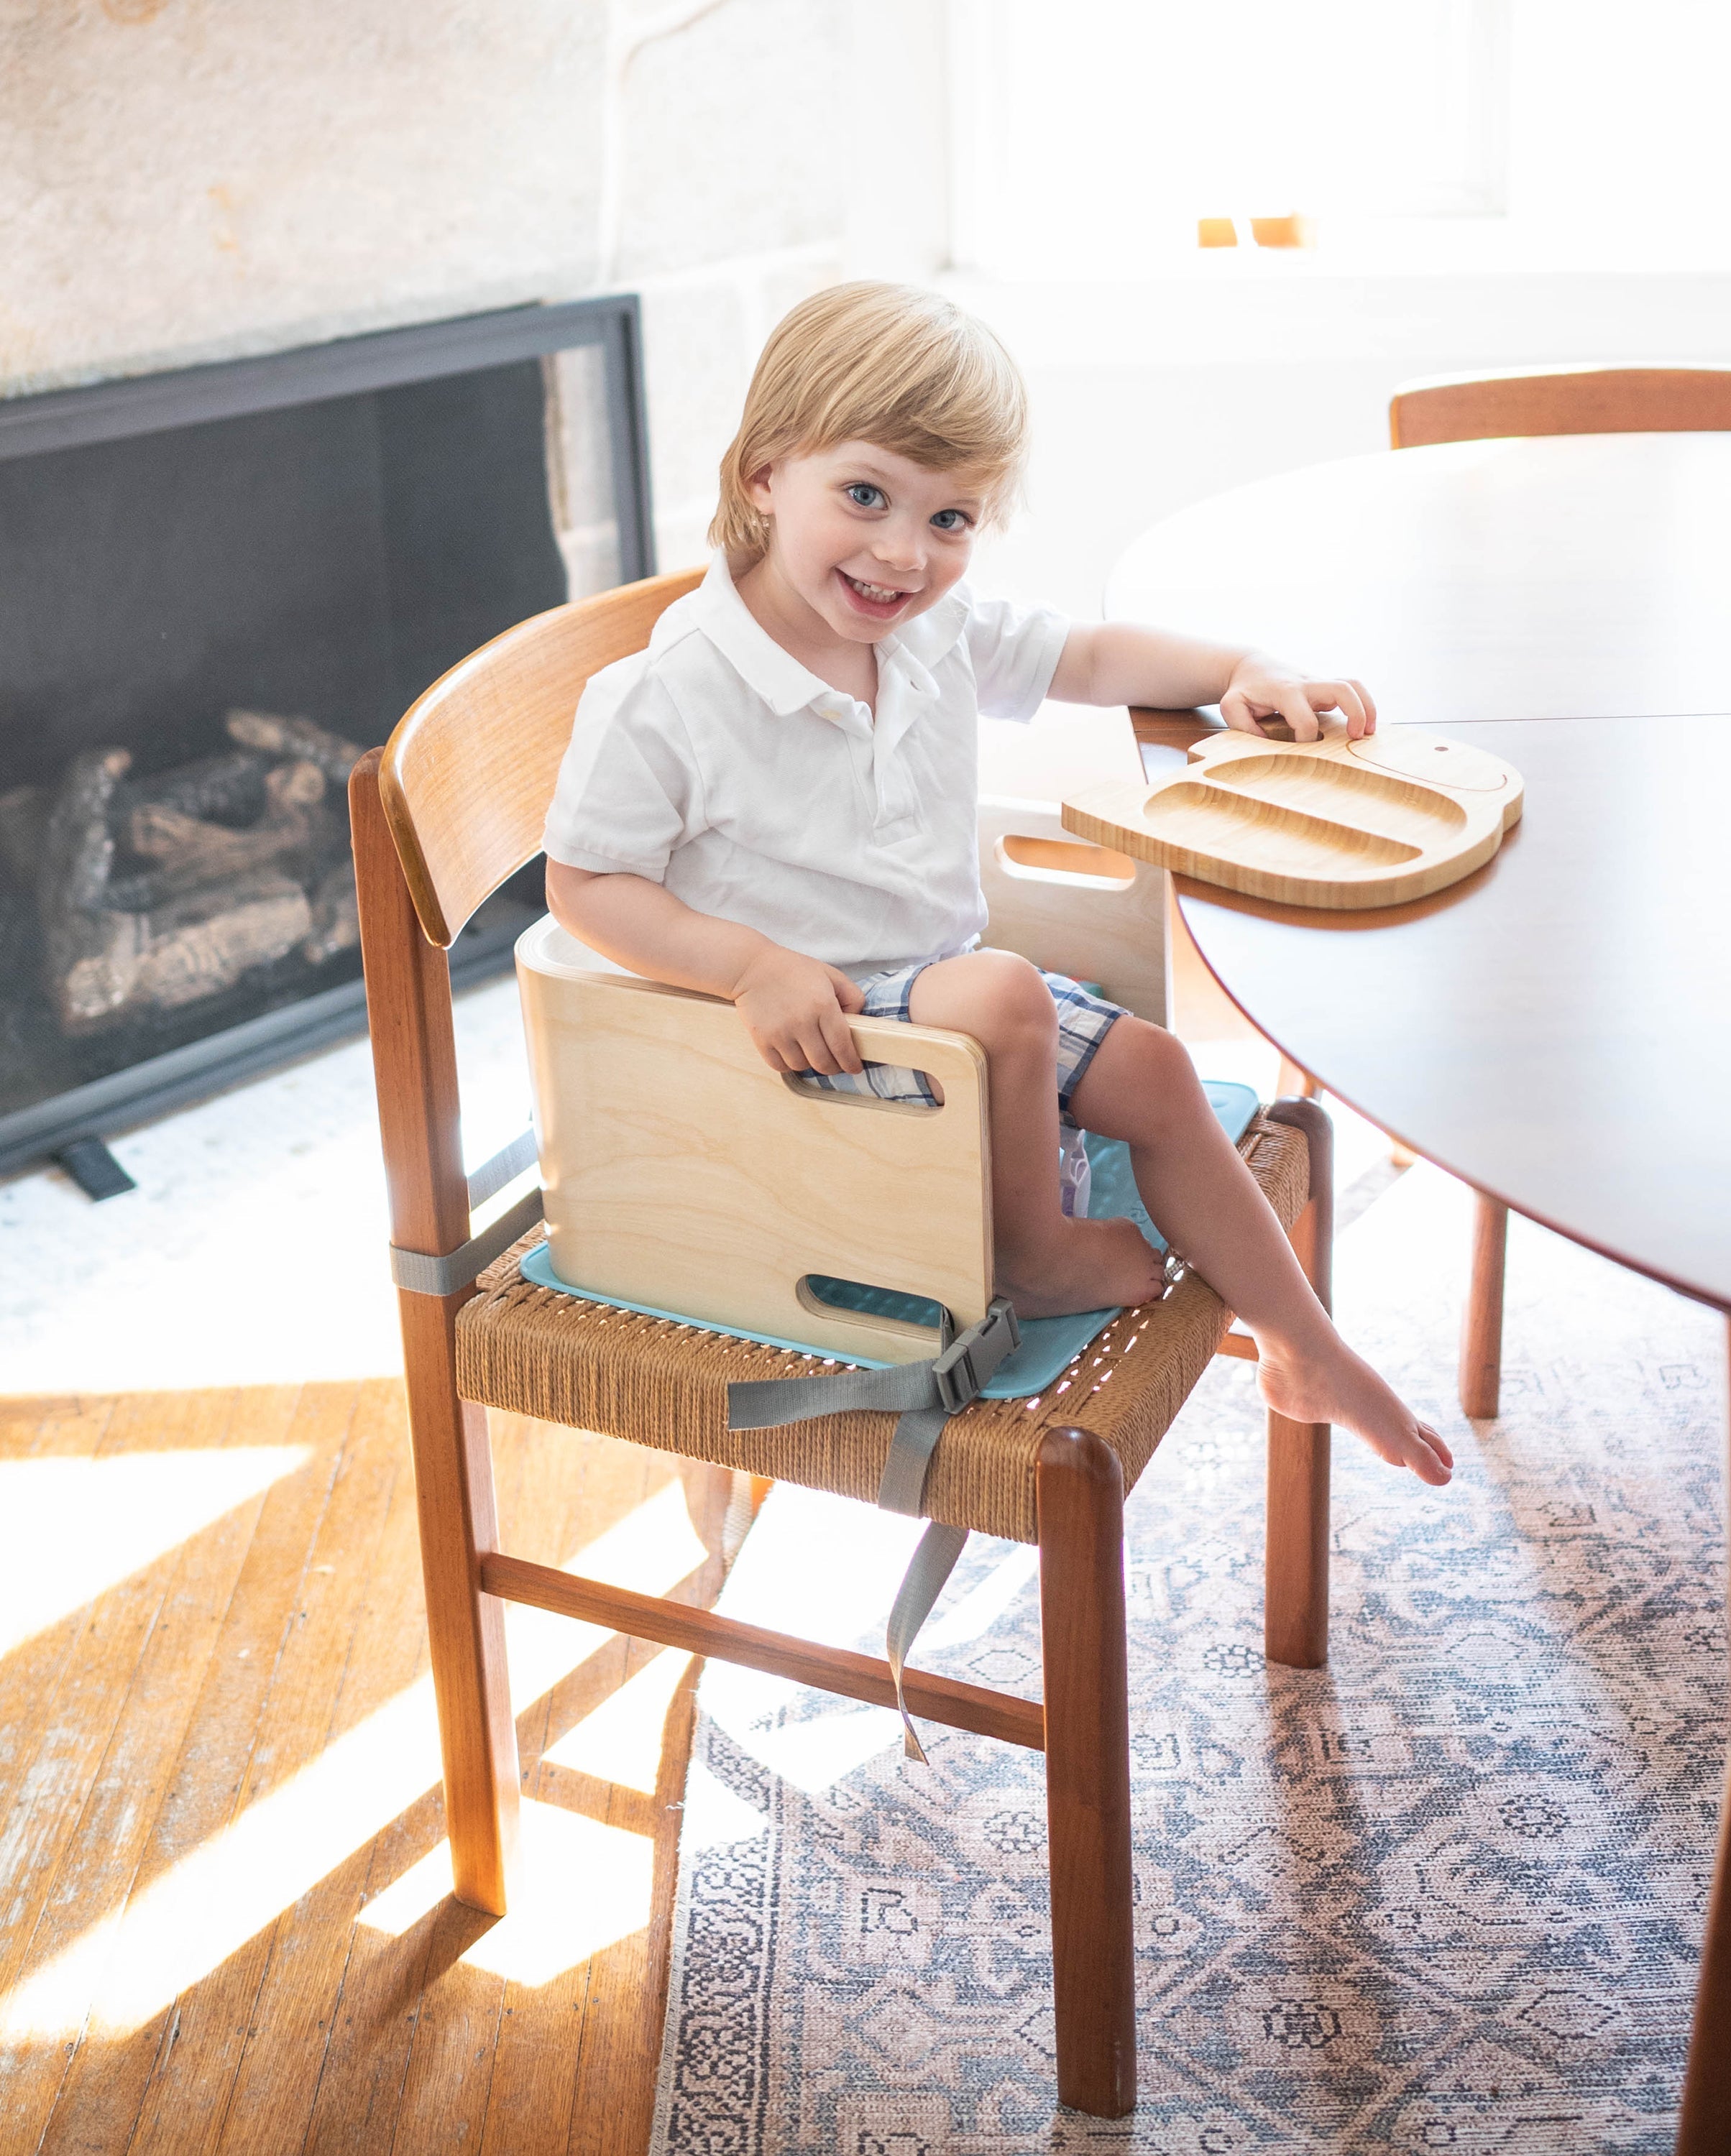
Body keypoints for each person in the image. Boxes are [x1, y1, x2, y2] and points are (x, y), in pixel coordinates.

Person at [543, 282, 1451, 1487]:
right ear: (765, 475)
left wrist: (1241, 663)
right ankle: (1033, 1253)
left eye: (952, 518)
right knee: (1003, 993)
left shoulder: (927, 626)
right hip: (793, 1048)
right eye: (864, 496)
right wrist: (749, 967)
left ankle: (1303, 1344)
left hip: (935, 1002)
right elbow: (585, 884)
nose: (903, 554)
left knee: (1158, 1069)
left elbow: (1081, 655)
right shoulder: (669, 698)